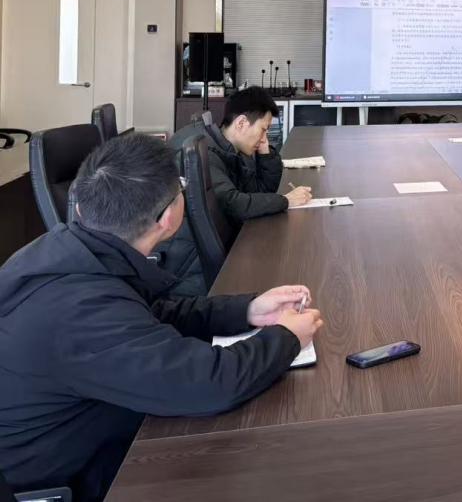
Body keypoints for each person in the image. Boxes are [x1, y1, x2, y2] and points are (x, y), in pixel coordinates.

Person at [0, 134, 324, 501]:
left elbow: (149, 316)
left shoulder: (67, 252)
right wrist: (287, 337)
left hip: (89, 431)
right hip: (75, 480)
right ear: (169, 218)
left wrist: (247, 310)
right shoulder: (83, 310)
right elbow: (209, 383)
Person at [163, 87, 311, 294]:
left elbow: (259, 191)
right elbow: (235, 203)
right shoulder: (207, 153)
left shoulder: (228, 148)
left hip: (207, 255)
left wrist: (265, 152)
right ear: (241, 123)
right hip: (188, 268)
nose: (264, 138)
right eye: (263, 129)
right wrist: (286, 201)